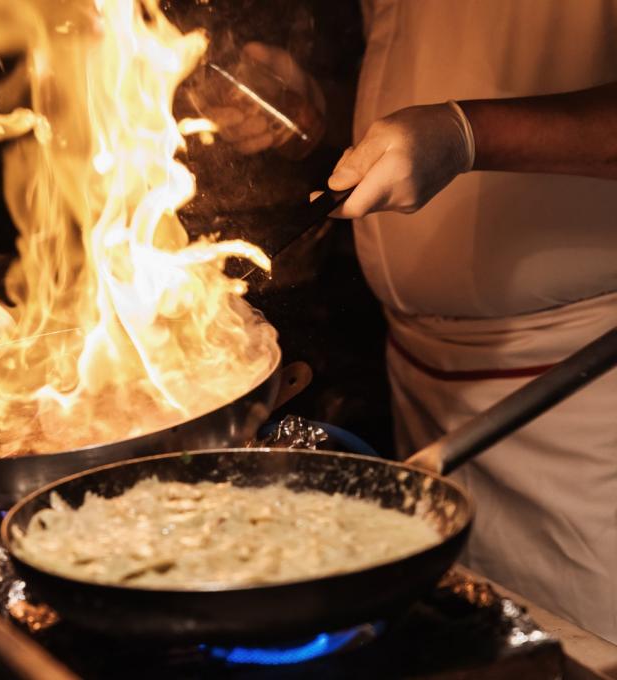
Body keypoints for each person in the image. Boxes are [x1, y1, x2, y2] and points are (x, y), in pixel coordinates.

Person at [207, 0, 617, 642]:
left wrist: (467, 134)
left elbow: (462, 120)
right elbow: (427, 74)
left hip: (581, 396)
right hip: (424, 391)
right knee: (466, 644)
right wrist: (315, 110)